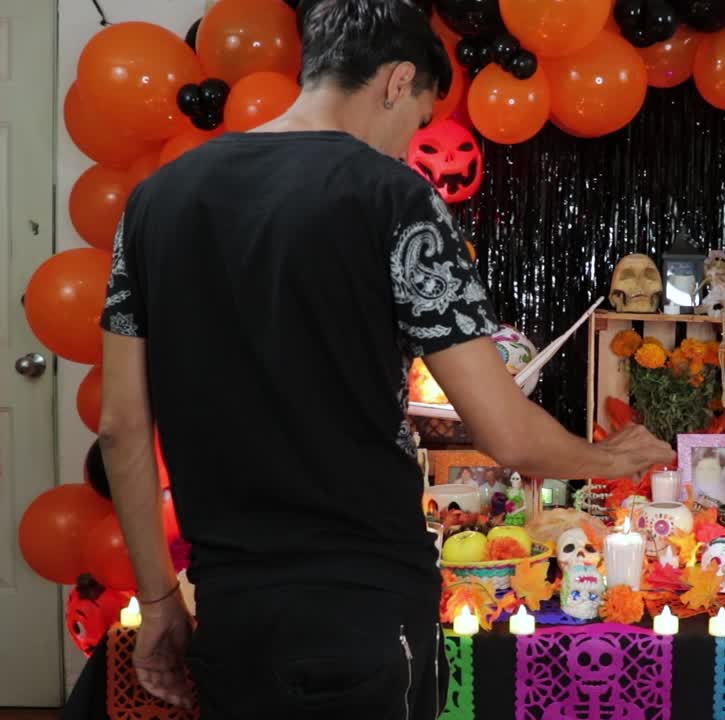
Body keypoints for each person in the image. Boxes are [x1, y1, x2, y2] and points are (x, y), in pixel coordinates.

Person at [95, 1, 674, 717]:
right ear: (398, 81)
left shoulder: (154, 202)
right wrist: (608, 459)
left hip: (233, 599)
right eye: (420, 122)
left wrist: (158, 603)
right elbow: (506, 433)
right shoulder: (394, 197)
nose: (410, 144)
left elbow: (121, 427)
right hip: (364, 601)